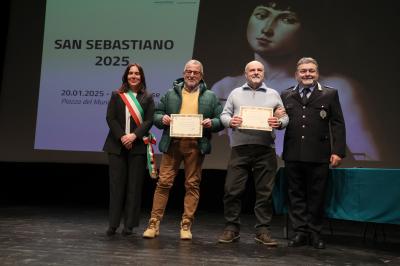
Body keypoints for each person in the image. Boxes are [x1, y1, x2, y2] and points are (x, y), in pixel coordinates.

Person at [209, 0, 378, 161]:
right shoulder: (226, 87)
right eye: (261, 15)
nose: (267, 29)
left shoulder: (339, 88)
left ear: (308, 29)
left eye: (286, 19)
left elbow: (367, 158)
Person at [142, 59, 224, 240]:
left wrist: (212, 123)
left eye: (195, 72)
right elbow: (156, 114)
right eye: (189, 71)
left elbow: (221, 119)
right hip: (173, 143)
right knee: (163, 183)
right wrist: (161, 119)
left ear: (201, 76)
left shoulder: (210, 96)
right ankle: (154, 223)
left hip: (195, 145)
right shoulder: (171, 93)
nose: (191, 75)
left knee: (192, 185)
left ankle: (186, 224)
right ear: (184, 73)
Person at [217, 60, 288, 246]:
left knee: (265, 192)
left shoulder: (273, 94)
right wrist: (230, 121)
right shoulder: (235, 93)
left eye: (259, 70)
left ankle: (262, 230)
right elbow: (224, 115)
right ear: (245, 73)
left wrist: (279, 123)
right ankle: (231, 228)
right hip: (240, 148)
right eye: (252, 70)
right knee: (232, 190)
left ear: (263, 73)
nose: (256, 72)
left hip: (265, 149)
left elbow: (284, 116)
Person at [281, 57, 346, 249]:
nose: (307, 74)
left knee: (317, 196)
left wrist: (338, 151)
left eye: (311, 71)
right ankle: (300, 232)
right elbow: (280, 121)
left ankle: (315, 233)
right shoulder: (286, 95)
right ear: (296, 74)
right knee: (296, 195)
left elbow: (337, 123)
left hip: (319, 155)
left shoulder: (329, 94)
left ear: (317, 73)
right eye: (303, 71)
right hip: (293, 154)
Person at [103, 63, 155, 236]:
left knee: (134, 187)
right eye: (131, 73)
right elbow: (110, 118)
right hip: (117, 146)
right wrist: (122, 137)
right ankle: (113, 224)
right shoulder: (117, 95)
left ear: (142, 76)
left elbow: (148, 121)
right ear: (126, 76)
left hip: (137, 146)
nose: (134, 76)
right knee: (116, 186)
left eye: (137, 73)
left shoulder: (147, 97)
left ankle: (129, 225)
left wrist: (134, 136)